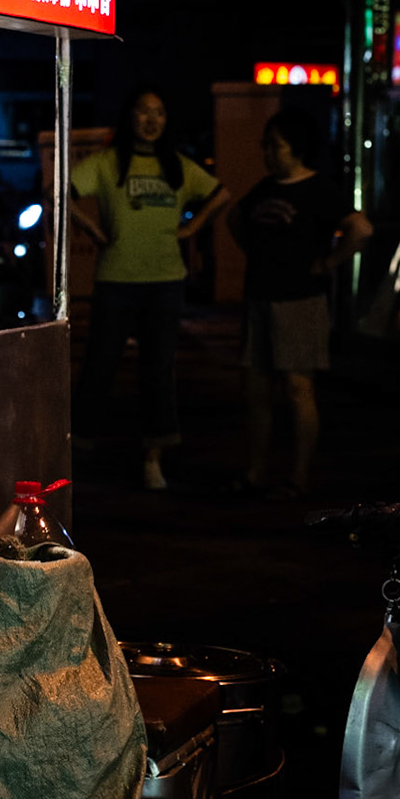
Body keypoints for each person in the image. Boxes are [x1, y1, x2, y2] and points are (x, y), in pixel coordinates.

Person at [71, 88, 227, 490]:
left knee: (157, 370)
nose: (152, 119)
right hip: (116, 279)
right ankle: (76, 450)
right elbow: (60, 192)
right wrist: (91, 228)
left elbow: (221, 194)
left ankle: (153, 457)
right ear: (130, 117)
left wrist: (192, 228)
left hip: (165, 281)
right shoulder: (107, 162)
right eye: (143, 112)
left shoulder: (177, 165)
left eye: (159, 112)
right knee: (99, 366)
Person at [227, 109, 372, 497]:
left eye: (276, 146)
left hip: (300, 300)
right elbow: (235, 218)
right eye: (266, 146)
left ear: (297, 148)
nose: (268, 153)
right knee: (256, 389)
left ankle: (298, 477)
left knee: (297, 387)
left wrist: (328, 262)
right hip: (260, 296)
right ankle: (256, 472)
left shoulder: (319, 188)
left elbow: (360, 229)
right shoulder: (265, 188)